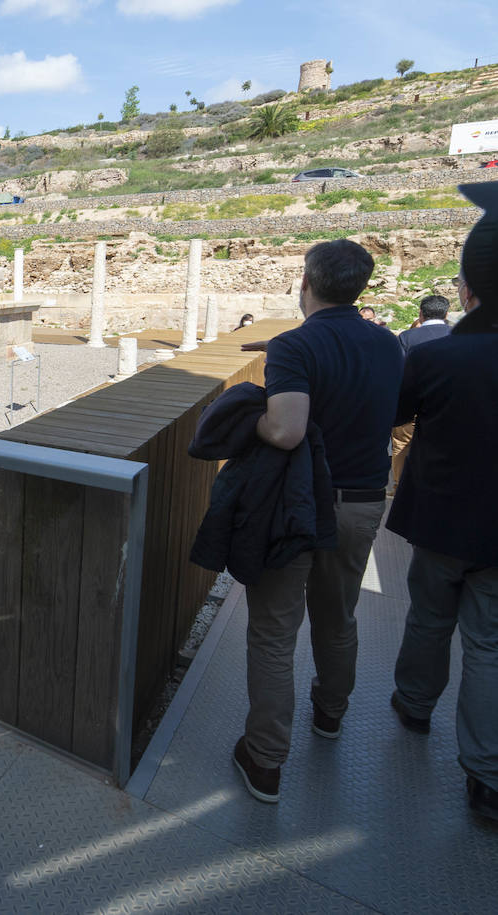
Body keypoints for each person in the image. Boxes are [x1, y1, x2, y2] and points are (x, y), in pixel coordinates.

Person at [232, 239, 403, 804]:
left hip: (299, 505)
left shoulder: (294, 346)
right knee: (339, 617)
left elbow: (286, 430)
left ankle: (265, 761)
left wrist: (247, 417)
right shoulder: (387, 344)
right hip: (362, 501)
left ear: (305, 281)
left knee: (275, 631)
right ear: (360, 287)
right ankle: (330, 716)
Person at [388, 182, 498, 824]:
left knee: (430, 618)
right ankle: (485, 777)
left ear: (468, 287)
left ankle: (414, 705)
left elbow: (399, 416)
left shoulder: (442, 356)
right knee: (489, 644)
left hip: (443, 516)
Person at [390, 294, 452, 489]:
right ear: (446, 313)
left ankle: (400, 486)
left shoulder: (407, 337)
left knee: (402, 445)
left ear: (421, 314)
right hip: (445, 406)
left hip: (410, 405)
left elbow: (397, 372)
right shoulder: (457, 335)